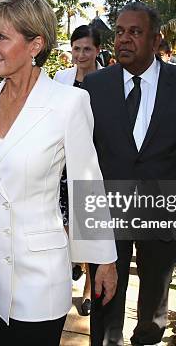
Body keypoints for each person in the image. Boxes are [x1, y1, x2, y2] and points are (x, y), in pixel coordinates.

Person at [0, 0, 118, 346]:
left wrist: (104, 262)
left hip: (40, 273)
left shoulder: (69, 103)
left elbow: (87, 184)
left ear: (36, 44)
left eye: (1, 37)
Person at [83, 2, 176, 346]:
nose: (123, 40)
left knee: (155, 293)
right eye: (120, 32)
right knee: (105, 292)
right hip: (108, 210)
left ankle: (147, 340)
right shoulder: (94, 86)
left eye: (134, 32)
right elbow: (82, 154)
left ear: (156, 40)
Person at [54, 24, 103, 316]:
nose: (81, 54)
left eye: (87, 49)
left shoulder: (110, 79)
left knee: (87, 228)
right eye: (76, 48)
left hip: (92, 162)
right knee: (64, 226)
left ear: (97, 50)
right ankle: (62, 284)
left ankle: (87, 290)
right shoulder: (61, 78)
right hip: (62, 162)